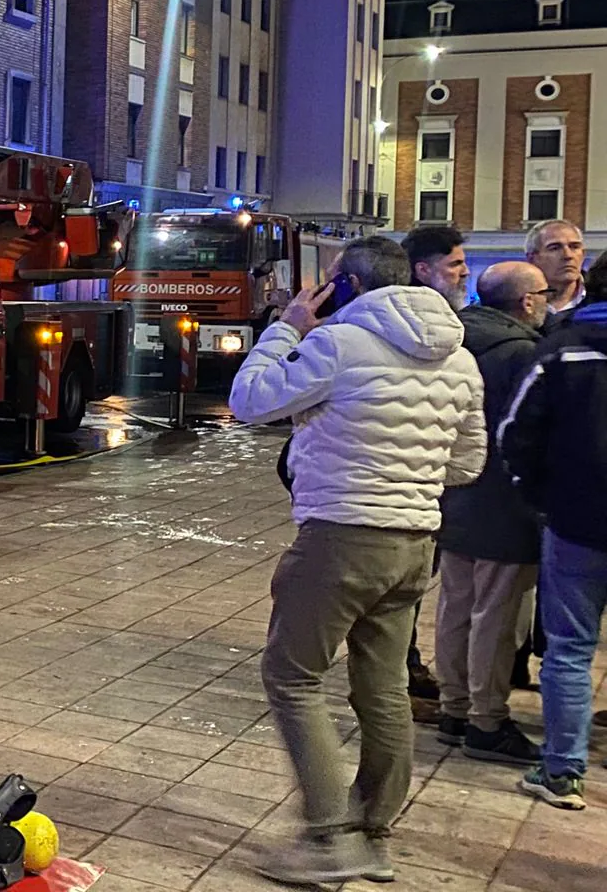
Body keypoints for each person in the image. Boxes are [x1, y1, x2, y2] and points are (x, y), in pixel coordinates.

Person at [230, 236, 485, 884]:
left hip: (342, 536)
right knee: (384, 687)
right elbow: (468, 462)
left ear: (348, 286)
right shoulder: (459, 358)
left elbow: (249, 400)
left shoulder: (337, 344)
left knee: (291, 676)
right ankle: (373, 833)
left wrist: (285, 330)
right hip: (414, 543)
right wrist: (412, 476)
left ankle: (326, 838)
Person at [431, 262, 550, 765]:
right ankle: (486, 720)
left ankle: (453, 709)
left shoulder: (455, 343)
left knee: (456, 607)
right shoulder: (525, 353)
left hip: (456, 493)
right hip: (506, 502)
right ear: (526, 302)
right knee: (498, 618)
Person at [502, 254, 607, 811]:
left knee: (569, 649)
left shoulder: (564, 350)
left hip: (577, 522)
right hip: (573, 517)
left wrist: (539, 499)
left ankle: (563, 771)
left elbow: (516, 431)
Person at [397, 223, 468, 714]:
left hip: (427, 482)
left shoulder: (453, 327)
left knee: (411, 585)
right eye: (455, 265)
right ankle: (398, 671)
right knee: (400, 587)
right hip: (405, 485)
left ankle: (402, 665)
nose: (465, 273)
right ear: (423, 270)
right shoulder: (412, 331)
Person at [524, 218, 587, 321]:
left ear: (583, 255)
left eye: (574, 247)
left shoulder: (601, 297)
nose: (568, 255)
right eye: (555, 248)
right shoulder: (515, 303)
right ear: (532, 258)